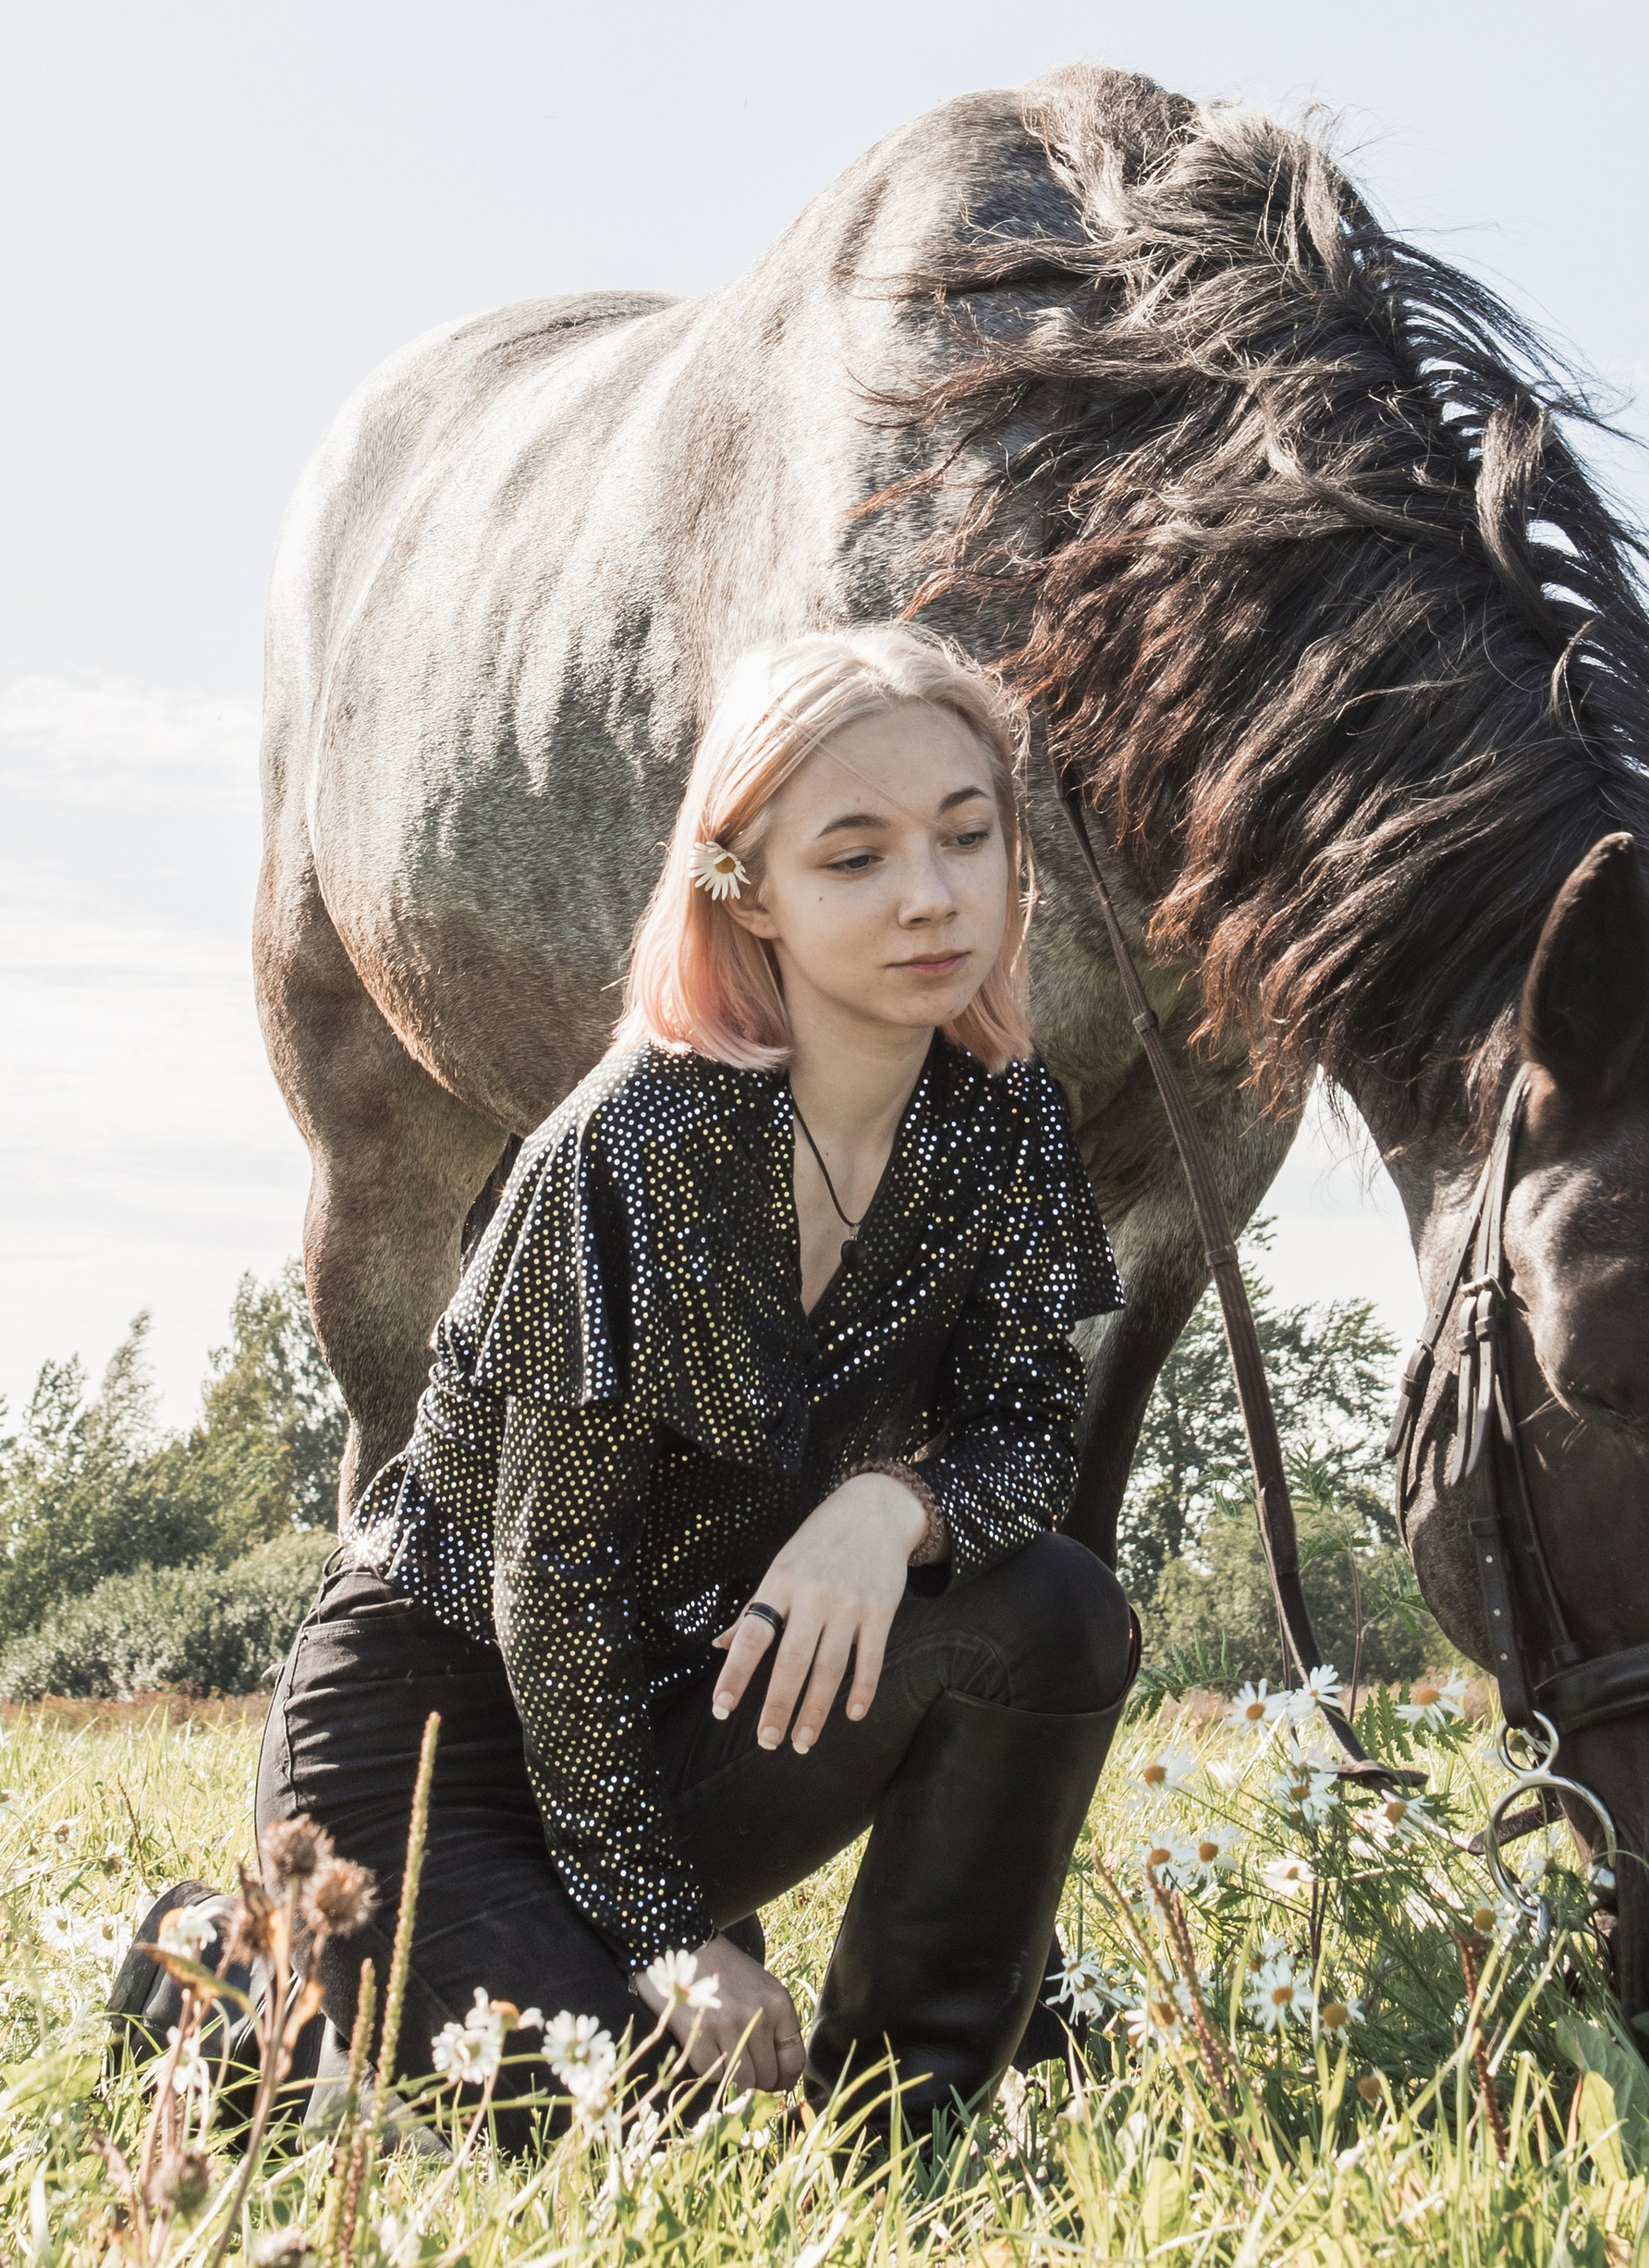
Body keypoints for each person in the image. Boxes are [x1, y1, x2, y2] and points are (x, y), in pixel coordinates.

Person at [124, 626, 1135, 2139]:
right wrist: (669, 1936)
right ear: (749, 891)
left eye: (966, 835)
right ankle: (219, 1968)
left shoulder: (1004, 1123)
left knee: (1054, 1610)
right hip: (442, 1727)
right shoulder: (641, 1141)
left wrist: (892, 1508)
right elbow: (549, 1580)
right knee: (618, 2118)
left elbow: (1030, 1437)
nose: (931, 895)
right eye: (855, 857)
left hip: (679, 1708)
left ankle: (897, 2132)